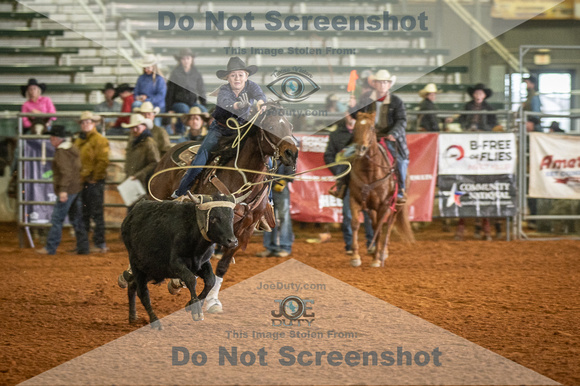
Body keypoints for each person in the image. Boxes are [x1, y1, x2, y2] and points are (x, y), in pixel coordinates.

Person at [173, 56, 267, 197]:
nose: (237, 78)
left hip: (242, 130)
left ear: (246, 76)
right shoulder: (224, 90)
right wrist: (239, 105)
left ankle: (267, 196)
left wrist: (260, 102)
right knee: (201, 159)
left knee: (265, 160)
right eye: (233, 75)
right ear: (227, 78)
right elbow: (226, 103)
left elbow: (260, 95)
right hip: (220, 130)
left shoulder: (252, 86)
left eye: (240, 75)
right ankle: (181, 191)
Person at [353, 69, 408, 204]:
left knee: (400, 161)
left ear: (389, 85)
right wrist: (352, 109)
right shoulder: (365, 99)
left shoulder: (396, 101)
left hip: (388, 137)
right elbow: (358, 116)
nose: (382, 85)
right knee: (349, 156)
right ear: (375, 84)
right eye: (379, 82)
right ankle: (342, 186)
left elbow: (402, 120)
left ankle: (401, 190)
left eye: (385, 82)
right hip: (368, 137)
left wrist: (392, 133)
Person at [324, 116, 375, 254]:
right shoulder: (336, 135)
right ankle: (350, 246)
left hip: (369, 181)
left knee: (370, 213)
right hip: (349, 180)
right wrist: (339, 171)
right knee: (349, 215)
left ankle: (372, 243)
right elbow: (328, 156)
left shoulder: (365, 131)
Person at [36, 126, 90, 255]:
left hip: (68, 189)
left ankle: (50, 247)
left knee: (57, 218)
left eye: (51, 138)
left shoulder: (61, 152)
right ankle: (83, 247)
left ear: (55, 138)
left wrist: (63, 190)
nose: (50, 141)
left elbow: (65, 173)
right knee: (77, 218)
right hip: (76, 187)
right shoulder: (72, 149)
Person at [74, 111, 110, 253]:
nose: (85, 124)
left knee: (94, 213)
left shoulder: (99, 140)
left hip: (93, 181)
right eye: (83, 122)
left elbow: (103, 161)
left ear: (93, 124)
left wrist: (95, 177)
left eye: (88, 122)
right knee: (84, 213)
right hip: (82, 181)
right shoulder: (79, 140)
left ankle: (99, 243)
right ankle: (84, 244)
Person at [255, 164, 295, 257]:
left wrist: (284, 180)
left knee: (283, 217)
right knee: (268, 216)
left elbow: (290, 161)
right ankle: (270, 247)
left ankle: (285, 246)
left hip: (280, 186)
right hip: (266, 186)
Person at [166, 48, 207, 135]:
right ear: (180, 60)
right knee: (184, 109)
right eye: (183, 59)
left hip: (192, 102)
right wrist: (169, 108)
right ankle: (180, 132)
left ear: (191, 59)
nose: (186, 61)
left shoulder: (196, 73)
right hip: (178, 103)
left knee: (203, 110)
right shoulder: (175, 73)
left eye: (188, 58)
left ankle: (202, 133)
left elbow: (201, 90)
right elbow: (170, 91)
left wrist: (203, 104)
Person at [122, 114, 160, 197]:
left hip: (144, 181)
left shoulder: (149, 142)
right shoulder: (133, 141)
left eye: (137, 127)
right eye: (132, 128)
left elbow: (155, 163)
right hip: (134, 180)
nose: (134, 130)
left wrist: (138, 175)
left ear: (144, 127)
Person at [133, 54, 167, 126]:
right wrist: (139, 98)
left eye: (148, 67)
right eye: (145, 67)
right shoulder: (141, 78)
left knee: (156, 120)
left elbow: (160, 96)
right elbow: (136, 92)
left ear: (153, 67)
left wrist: (147, 100)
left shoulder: (159, 79)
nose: (146, 70)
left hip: (156, 105)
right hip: (143, 104)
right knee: (136, 104)